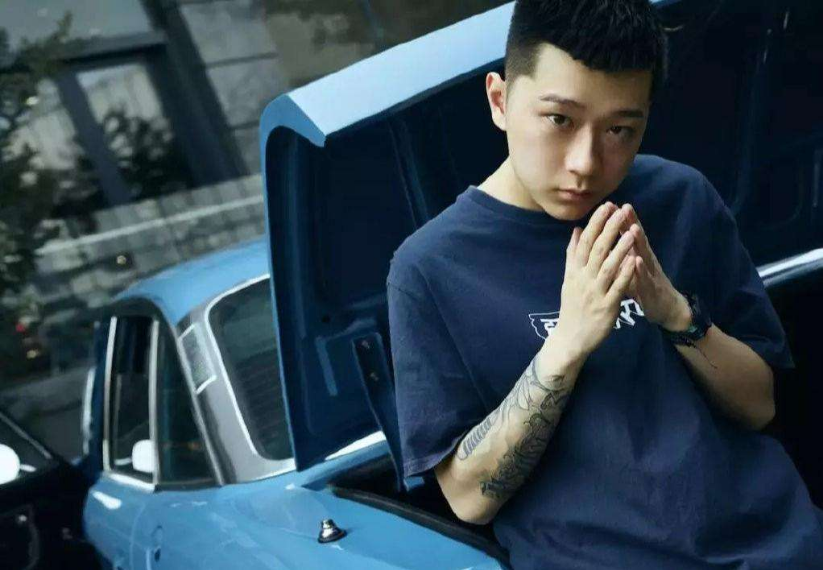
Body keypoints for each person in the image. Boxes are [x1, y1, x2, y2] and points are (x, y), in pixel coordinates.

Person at [385, 0, 823, 568]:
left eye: (620, 129)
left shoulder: (682, 199)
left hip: (781, 550)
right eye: (559, 120)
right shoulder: (429, 269)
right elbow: (469, 499)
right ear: (499, 101)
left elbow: (760, 406)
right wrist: (568, 343)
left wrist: (674, 312)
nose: (586, 162)